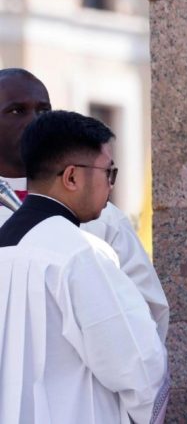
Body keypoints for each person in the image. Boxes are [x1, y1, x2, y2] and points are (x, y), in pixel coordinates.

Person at [0, 111, 168, 423]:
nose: (111, 185)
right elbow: (140, 368)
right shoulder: (80, 253)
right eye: (109, 172)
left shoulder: (5, 245)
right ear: (72, 177)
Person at [0, 67, 169, 342]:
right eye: (17, 111)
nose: (34, 121)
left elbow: (147, 309)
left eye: (44, 111)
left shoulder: (103, 216)